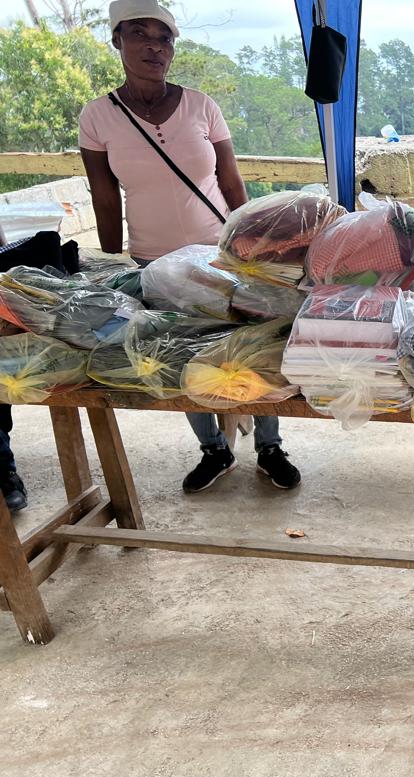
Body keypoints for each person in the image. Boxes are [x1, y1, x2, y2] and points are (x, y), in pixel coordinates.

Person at [78, 0, 300, 494]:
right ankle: (214, 450)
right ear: (118, 41)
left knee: (253, 341)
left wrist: (255, 246)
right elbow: (101, 191)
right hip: (152, 258)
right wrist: (112, 256)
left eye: (164, 37)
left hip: (220, 252)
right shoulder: (98, 116)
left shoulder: (202, 106)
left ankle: (269, 443)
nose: (154, 46)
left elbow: (232, 181)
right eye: (140, 34)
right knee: (177, 351)